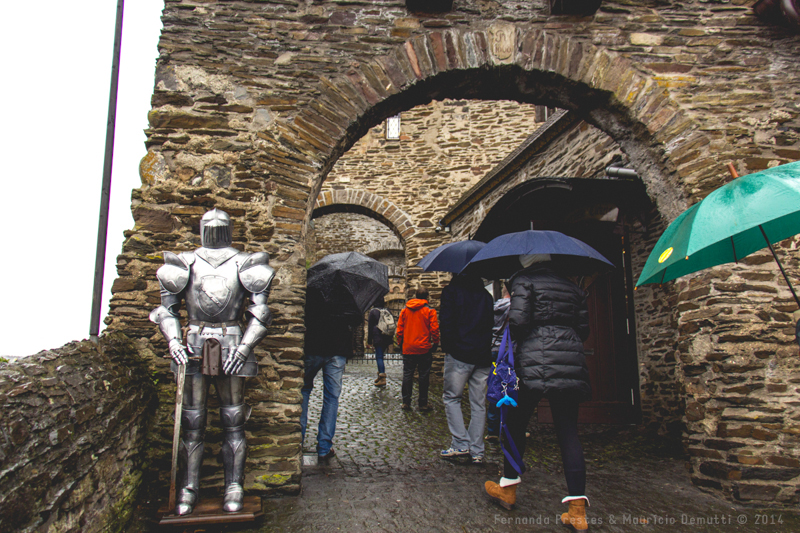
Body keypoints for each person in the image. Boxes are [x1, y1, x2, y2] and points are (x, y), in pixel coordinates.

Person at [150, 208, 275, 515]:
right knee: (193, 421)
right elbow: (167, 310)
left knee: (233, 419)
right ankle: (188, 488)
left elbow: (260, 313)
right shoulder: (183, 263)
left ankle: (234, 486)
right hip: (193, 341)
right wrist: (174, 341)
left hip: (232, 342)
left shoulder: (247, 264)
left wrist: (244, 348)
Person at [484, 254, 592, 532]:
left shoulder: (524, 280)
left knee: (515, 425)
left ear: (526, 261)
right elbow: (584, 329)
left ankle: (507, 489)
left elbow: (518, 322)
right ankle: (577, 510)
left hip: (532, 362)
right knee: (569, 431)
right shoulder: (572, 286)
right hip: (569, 361)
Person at [439, 273, 494, 464]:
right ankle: (477, 450)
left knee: (452, 398)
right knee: (478, 403)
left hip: (460, 353)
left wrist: (449, 348)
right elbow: (490, 325)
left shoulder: (451, 292)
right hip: (482, 355)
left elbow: (446, 323)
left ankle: (461, 444)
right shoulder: (486, 296)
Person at [301, 289, 361, 463]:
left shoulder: (312, 290)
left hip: (313, 345)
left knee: (303, 391)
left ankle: (298, 440)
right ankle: (324, 446)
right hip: (337, 348)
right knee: (331, 397)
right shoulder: (347, 293)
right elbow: (356, 319)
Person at [395, 286, 439, 411]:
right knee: (424, 376)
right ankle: (423, 403)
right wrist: (435, 343)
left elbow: (400, 329)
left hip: (408, 347)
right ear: (427, 297)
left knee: (407, 374)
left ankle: (406, 402)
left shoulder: (405, 310)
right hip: (424, 348)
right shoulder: (430, 311)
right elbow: (434, 329)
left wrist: (400, 342)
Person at [485, 284, 511, 444]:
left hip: (494, 349)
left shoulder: (493, 307)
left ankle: (492, 429)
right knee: (510, 387)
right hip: (509, 350)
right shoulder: (515, 308)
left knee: (495, 387)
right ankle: (510, 426)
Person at [366, 296, 392, 387]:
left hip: (378, 337)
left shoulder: (373, 311)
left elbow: (370, 327)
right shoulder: (387, 310)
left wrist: (369, 341)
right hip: (386, 337)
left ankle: (382, 376)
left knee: (379, 357)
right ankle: (380, 375)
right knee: (381, 356)